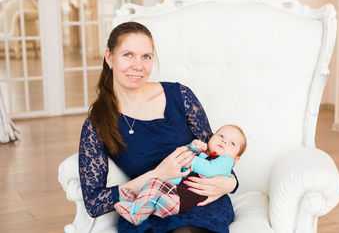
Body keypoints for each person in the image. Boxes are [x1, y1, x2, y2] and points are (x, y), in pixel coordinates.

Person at [78, 21, 239, 233]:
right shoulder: (97, 123)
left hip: (198, 201)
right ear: (110, 57)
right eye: (128, 55)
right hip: (148, 209)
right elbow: (94, 203)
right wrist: (158, 174)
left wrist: (230, 184)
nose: (138, 65)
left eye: (146, 56)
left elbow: (216, 151)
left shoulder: (180, 96)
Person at [114, 124, 247, 225]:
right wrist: (192, 148)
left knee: (156, 197)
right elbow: (184, 166)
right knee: (153, 183)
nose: (224, 141)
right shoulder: (204, 154)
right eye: (221, 136)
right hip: (176, 191)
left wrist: (192, 160)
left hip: (185, 202)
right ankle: (135, 205)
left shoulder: (226, 162)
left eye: (232, 143)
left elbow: (209, 170)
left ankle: (136, 214)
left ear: (236, 158)